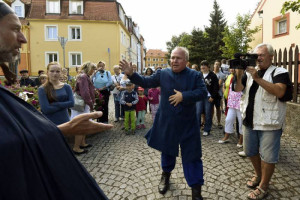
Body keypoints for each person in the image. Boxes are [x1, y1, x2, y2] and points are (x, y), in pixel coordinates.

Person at [0, 2, 112, 199]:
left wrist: (62, 127)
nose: (23, 37)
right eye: (15, 29)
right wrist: (62, 129)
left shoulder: (67, 86)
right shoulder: (44, 89)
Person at [119, 46, 207, 200]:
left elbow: (202, 92)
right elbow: (146, 82)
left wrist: (184, 96)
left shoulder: (195, 75)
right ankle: (165, 175)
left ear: (186, 60)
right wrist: (132, 74)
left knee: (192, 155)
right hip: (167, 121)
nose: (174, 61)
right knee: (167, 151)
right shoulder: (163, 73)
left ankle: (196, 190)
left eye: (178, 58)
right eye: (172, 57)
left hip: (188, 124)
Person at [234, 43, 291, 200]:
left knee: (268, 156)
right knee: (250, 151)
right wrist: (239, 75)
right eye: (255, 55)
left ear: (271, 57)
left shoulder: (280, 72)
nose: (257, 58)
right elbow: (238, 89)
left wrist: (257, 78)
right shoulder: (249, 73)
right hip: (250, 120)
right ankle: (259, 175)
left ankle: (264, 186)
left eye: (261, 55)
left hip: (270, 123)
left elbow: (280, 91)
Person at [71, 61, 97, 155]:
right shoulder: (83, 77)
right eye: (93, 69)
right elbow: (85, 93)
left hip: (83, 104)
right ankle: (76, 147)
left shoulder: (84, 76)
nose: (94, 71)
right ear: (89, 68)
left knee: (84, 123)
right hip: (81, 104)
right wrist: (91, 104)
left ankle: (82, 143)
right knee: (81, 125)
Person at [217, 69, 245, 156]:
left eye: (236, 68)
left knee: (241, 123)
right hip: (232, 103)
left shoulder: (245, 77)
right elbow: (228, 87)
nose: (234, 70)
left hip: (241, 104)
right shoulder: (232, 77)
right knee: (228, 120)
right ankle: (226, 136)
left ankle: (241, 140)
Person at [199, 60, 219, 136]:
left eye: (204, 65)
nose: (202, 67)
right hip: (199, 97)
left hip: (208, 97)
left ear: (208, 67)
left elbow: (216, 87)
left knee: (208, 113)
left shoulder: (213, 75)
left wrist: (213, 96)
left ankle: (207, 129)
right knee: (198, 113)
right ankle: (197, 128)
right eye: (201, 65)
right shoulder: (199, 75)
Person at [213, 60, 226, 129]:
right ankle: (210, 121)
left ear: (220, 66)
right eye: (215, 64)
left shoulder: (222, 75)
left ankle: (219, 122)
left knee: (218, 108)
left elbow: (218, 84)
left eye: (218, 64)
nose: (217, 66)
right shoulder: (211, 73)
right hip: (211, 94)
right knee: (211, 108)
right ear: (213, 65)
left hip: (218, 94)